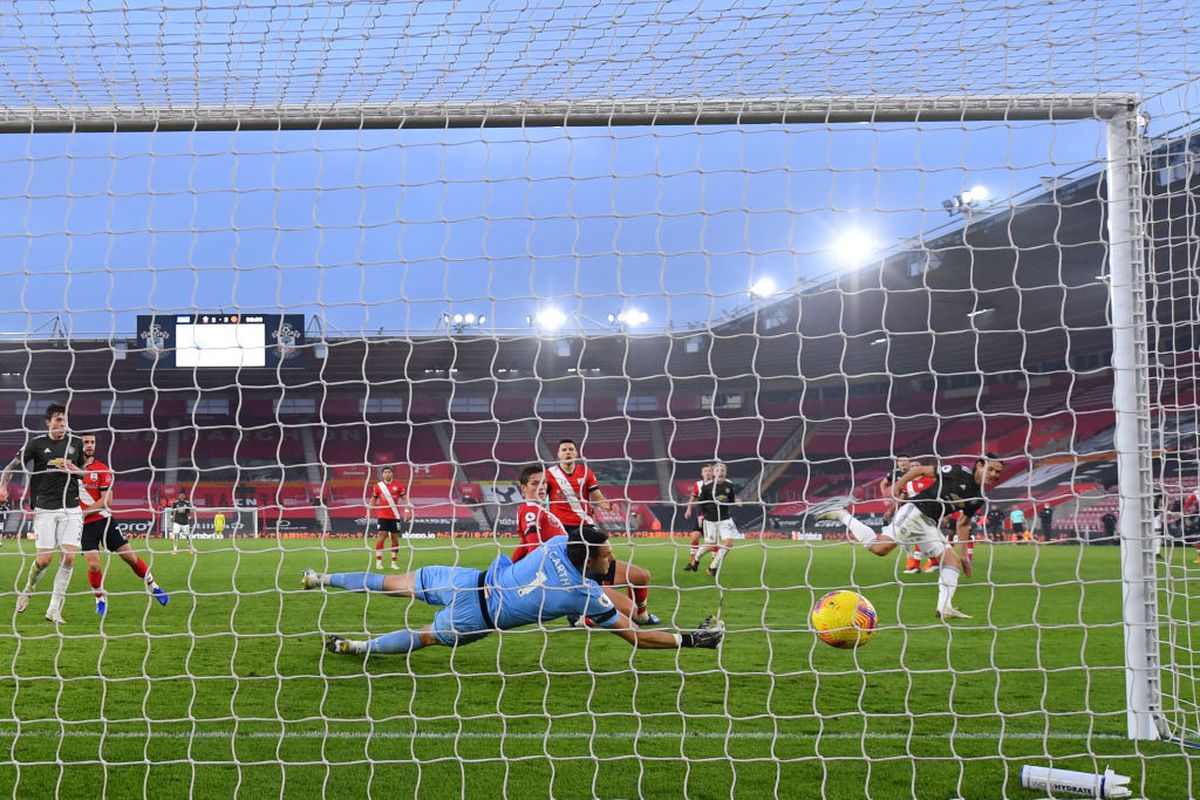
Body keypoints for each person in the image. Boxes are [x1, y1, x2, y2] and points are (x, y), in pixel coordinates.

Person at [302, 527, 723, 655]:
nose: (611, 559)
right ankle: (357, 647)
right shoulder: (585, 596)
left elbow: (575, 542)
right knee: (426, 636)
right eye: (607, 555)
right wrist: (691, 639)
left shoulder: (558, 544)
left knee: (391, 583)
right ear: (591, 559)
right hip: (479, 617)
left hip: (466, 579)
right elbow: (636, 637)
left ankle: (321, 579)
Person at [818, 453, 1004, 621]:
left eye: (998, 472)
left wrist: (964, 555)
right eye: (992, 469)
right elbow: (919, 470)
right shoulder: (959, 472)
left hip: (930, 523)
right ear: (979, 465)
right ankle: (842, 514)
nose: (994, 474)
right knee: (880, 549)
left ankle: (945, 608)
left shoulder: (978, 497)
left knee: (952, 562)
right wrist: (896, 487)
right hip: (915, 511)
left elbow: (963, 523)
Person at [511, 463, 659, 625]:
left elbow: (524, 544)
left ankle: (638, 616)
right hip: (572, 574)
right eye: (535, 483)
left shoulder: (539, 510)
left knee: (641, 576)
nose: (541, 487)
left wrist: (509, 569)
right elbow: (533, 547)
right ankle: (582, 617)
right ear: (523, 488)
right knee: (630, 610)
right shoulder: (530, 511)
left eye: (544, 483)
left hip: (584, 564)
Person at [545, 439, 658, 623]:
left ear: (576, 453)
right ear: (558, 454)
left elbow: (596, 495)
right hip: (564, 531)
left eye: (571, 449)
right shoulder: (550, 475)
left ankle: (640, 614)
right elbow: (542, 495)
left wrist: (607, 505)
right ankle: (578, 613)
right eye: (564, 449)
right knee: (576, 570)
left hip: (588, 527)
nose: (567, 452)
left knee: (610, 560)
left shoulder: (585, 472)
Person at [0, 403, 87, 624]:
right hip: (45, 507)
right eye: (58, 420)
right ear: (48, 422)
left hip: (72, 507)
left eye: (64, 419)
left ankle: (54, 609)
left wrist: (76, 470)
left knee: (68, 557)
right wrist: (3, 485)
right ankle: (29, 589)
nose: (62, 423)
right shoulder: (36, 444)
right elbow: (11, 467)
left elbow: (85, 473)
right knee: (45, 559)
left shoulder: (76, 443)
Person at [77, 432, 169, 615]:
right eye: (86, 442)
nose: (89, 445)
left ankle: (153, 585)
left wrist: (83, 513)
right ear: (79, 445)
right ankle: (100, 599)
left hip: (104, 521)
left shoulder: (102, 470)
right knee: (94, 565)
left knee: (131, 558)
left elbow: (107, 501)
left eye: (92, 442)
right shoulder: (70, 470)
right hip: (84, 527)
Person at [692, 462, 742, 577]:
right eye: (718, 470)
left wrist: (734, 502)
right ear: (714, 473)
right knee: (710, 546)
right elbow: (700, 503)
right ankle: (697, 558)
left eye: (722, 470)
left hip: (725, 519)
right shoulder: (707, 486)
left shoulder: (729, 485)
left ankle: (712, 568)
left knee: (728, 544)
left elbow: (731, 501)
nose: (720, 472)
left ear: (726, 472)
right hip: (710, 520)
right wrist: (700, 516)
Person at [369, 466, 411, 570]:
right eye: (385, 472)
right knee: (381, 536)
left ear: (392, 474)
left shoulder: (398, 486)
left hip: (395, 516)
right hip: (382, 516)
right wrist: (369, 511)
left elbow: (405, 498)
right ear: (382, 474)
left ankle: (394, 563)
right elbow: (373, 499)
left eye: (389, 472)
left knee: (395, 539)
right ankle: (378, 563)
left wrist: (407, 510)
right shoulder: (378, 486)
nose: (387, 474)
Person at [682, 464, 713, 571]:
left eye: (709, 471)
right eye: (705, 471)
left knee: (712, 543)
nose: (708, 473)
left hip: (713, 517)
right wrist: (688, 509)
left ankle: (713, 566)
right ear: (702, 473)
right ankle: (692, 562)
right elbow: (693, 497)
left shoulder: (717, 485)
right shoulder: (698, 484)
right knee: (695, 537)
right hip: (700, 515)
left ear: (713, 473)